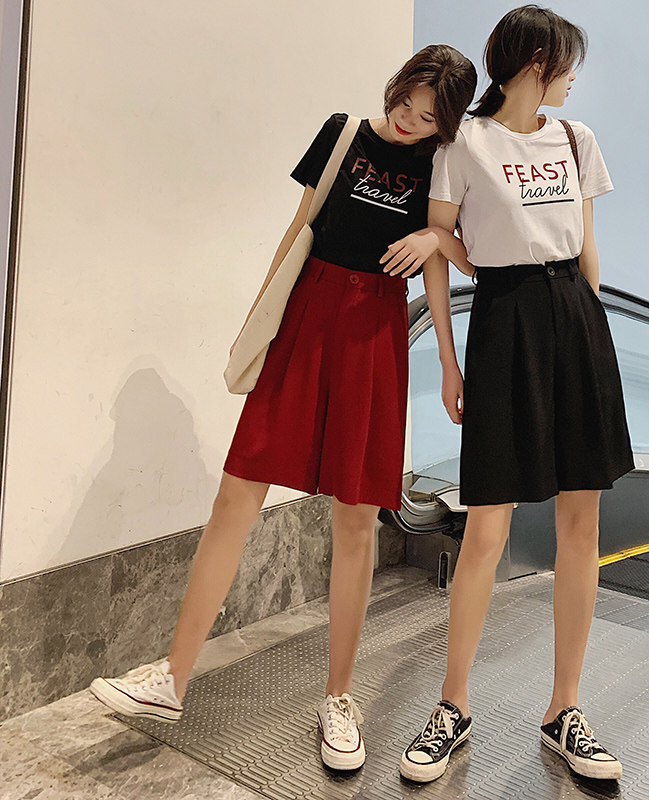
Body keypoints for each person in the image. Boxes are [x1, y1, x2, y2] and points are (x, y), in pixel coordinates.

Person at [89, 44, 477, 773]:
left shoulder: (440, 165)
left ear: (445, 124)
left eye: (429, 117)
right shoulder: (341, 134)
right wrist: (258, 324)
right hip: (306, 317)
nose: (410, 120)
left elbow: (457, 260)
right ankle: (172, 678)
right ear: (397, 85)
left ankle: (339, 700)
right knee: (238, 492)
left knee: (356, 518)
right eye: (407, 101)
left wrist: (439, 268)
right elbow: (299, 228)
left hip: (374, 334)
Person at [383, 6, 634, 783]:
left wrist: (593, 346)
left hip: (575, 322)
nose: (571, 78)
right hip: (503, 320)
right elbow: (441, 248)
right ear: (535, 62)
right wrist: (449, 363)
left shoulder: (575, 139)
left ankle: (565, 710)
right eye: (566, 63)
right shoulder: (465, 143)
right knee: (486, 525)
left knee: (581, 524)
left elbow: (586, 250)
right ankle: (453, 705)